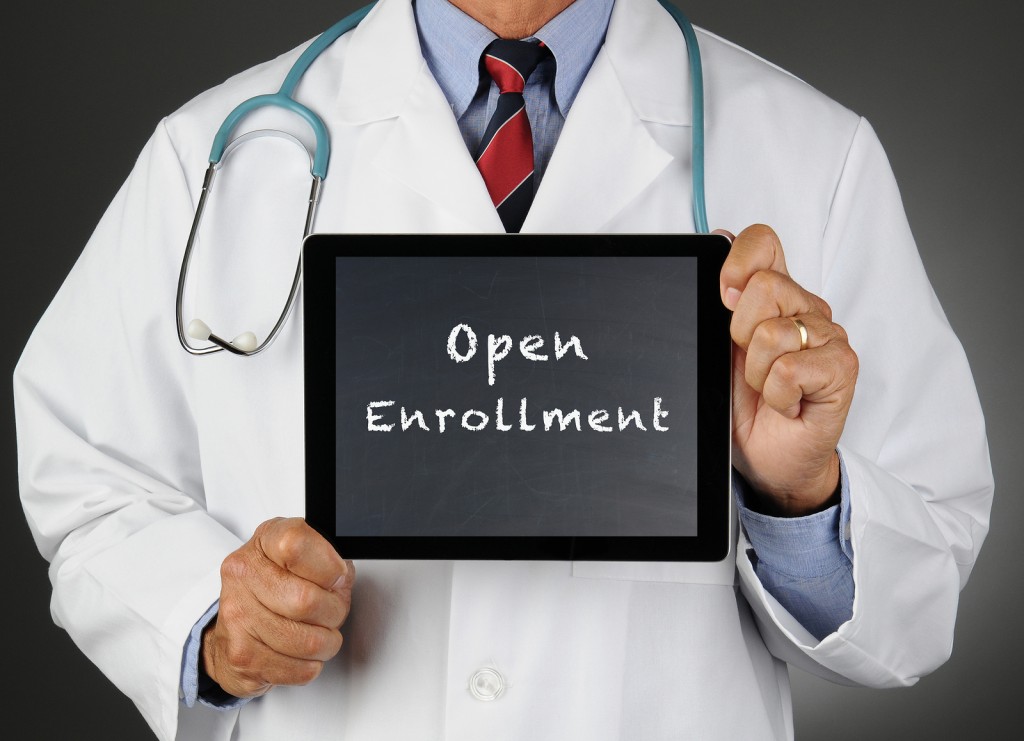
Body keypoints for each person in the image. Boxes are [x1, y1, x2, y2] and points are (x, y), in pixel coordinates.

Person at [13, 0, 992, 739]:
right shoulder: (218, 153)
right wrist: (212, 619)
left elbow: (921, 580)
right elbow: (88, 479)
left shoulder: (810, 153)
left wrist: (796, 497)